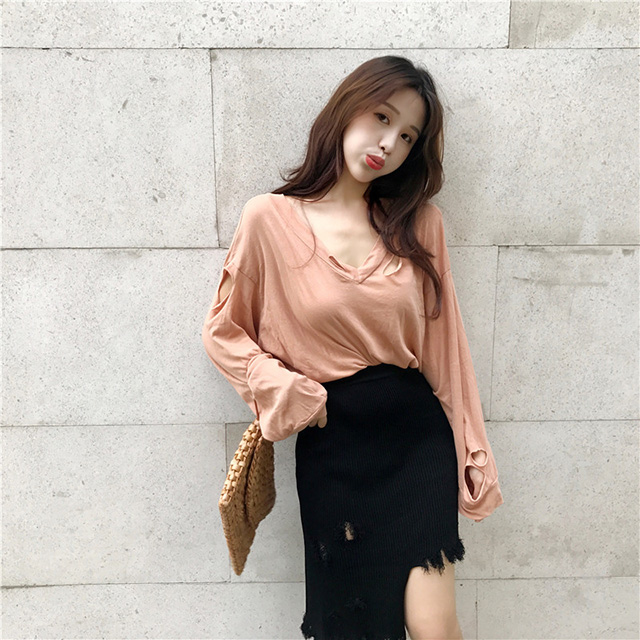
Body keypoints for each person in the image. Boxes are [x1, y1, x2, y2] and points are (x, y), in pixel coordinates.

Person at [202, 55, 504, 640]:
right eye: (382, 117)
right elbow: (223, 330)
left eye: (408, 136)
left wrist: (473, 451)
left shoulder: (419, 224)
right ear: (347, 108)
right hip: (333, 448)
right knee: (352, 628)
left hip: (416, 443)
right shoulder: (269, 219)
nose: (389, 143)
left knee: (435, 627)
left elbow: (447, 352)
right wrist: (283, 390)